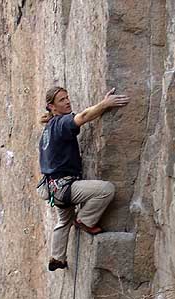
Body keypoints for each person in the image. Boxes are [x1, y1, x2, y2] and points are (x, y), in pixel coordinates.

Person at [39, 85, 130, 271]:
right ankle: (85, 220)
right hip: (63, 187)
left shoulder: (48, 129)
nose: (67, 101)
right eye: (61, 100)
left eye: (67, 97)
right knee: (106, 190)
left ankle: (57, 258)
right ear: (52, 107)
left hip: (52, 188)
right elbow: (83, 117)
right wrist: (104, 104)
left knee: (64, 220)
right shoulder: (61, 123)